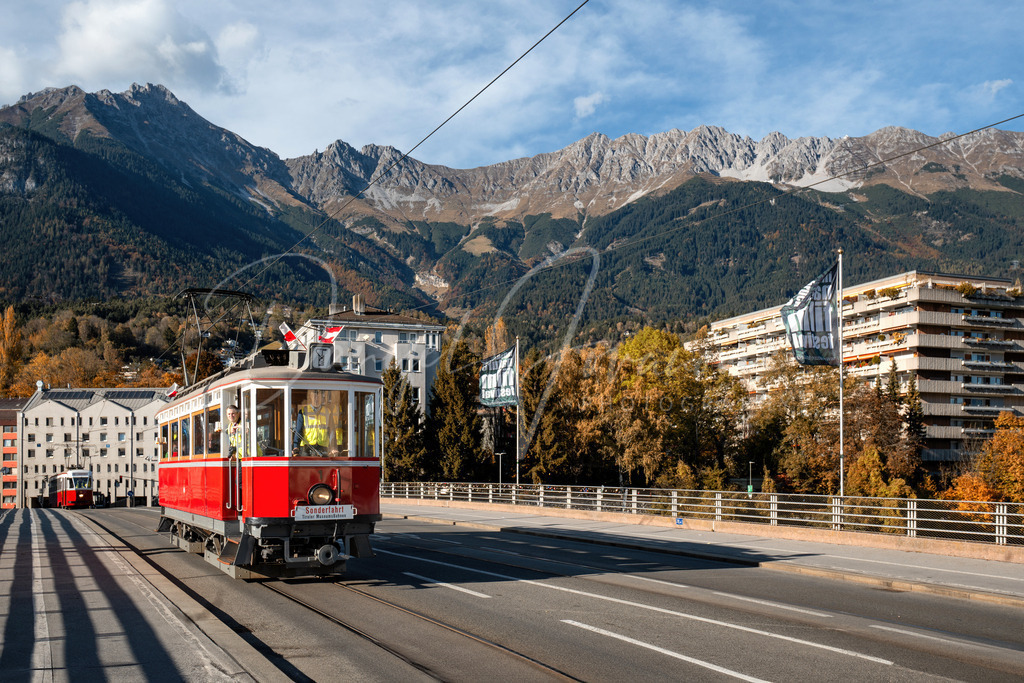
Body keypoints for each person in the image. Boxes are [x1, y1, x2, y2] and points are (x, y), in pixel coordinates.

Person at [293, 390, 343, 456]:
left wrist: (333, 447)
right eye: (314, 396)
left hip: (323, 448)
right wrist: (296, 446)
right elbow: (298, 430)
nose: (316, 399)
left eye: (318, 396)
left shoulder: (328, 412)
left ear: (322, 398)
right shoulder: (303, 411)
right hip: (306, 449)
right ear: (310, 397)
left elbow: (332, 431)